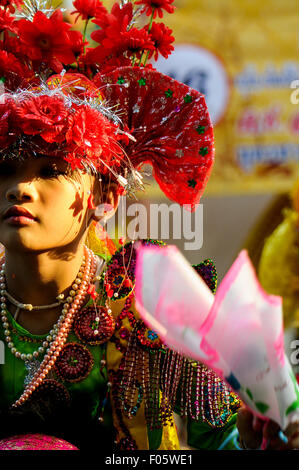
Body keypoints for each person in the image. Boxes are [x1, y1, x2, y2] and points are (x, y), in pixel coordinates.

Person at [0, 0, 242, 451]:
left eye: (52, 171)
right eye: (5, 169)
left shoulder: (150, 308)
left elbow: (225, 440)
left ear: (105, 198)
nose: (21, 189)